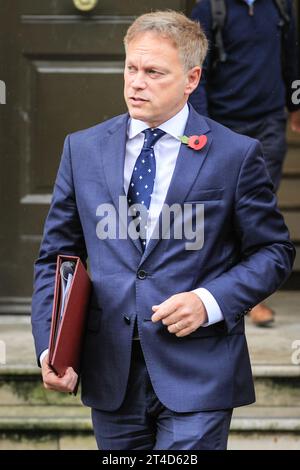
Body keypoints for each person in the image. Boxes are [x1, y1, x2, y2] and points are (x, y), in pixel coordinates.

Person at [31, 11, 295, 451]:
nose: (136, 82)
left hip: (201, 370)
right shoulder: (82, 149)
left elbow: (274, 252)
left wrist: (209, 302)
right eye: (131, 68)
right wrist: (51, 347)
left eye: (153, 72)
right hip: (110, 371)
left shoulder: (236, 154)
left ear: (191, 79)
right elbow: (56, 259)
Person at [190, 0, 300, 327]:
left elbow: (292, 58)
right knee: (216, 209)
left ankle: (255, 299)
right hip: (222, 125)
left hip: (268, 123)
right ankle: (215, 294)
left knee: (259, 210)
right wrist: (200, 126)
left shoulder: (280, 6)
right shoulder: (209, 9)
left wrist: (296, 105)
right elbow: (197, 72)